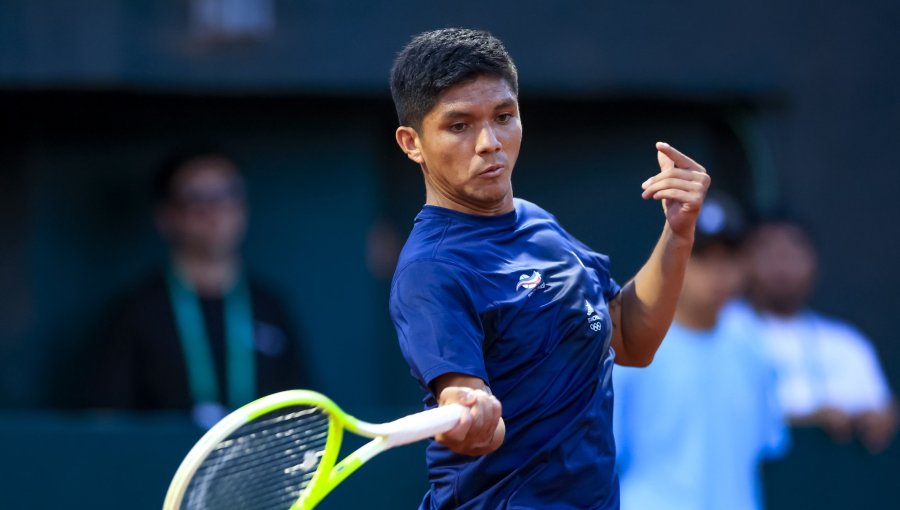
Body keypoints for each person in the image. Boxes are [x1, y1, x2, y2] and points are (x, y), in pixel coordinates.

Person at [388, 28, 710, 509]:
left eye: (503, 117)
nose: (489, 143)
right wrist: (471, 415)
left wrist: (678, 233)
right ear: (412, 143)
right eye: (459, 126)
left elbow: (629, 340)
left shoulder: (540, 225)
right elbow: (467, 406)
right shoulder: (432, 270)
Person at [88, 147, 307, 428]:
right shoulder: (137, 311)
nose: (215, 212)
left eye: (228, 196)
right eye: (197, 200)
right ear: (167, 217)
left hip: (258, 466)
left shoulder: (269, 305)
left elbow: (304, 411)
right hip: (164, 469)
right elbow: (106, 419)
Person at [613, 194, 787, 510]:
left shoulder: (752, 345)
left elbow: (767, 443)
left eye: (730, 256)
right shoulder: (630, 343)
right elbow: (605, 454)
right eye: (702, 256)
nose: (719, 272)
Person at [728, 218, 898, 453]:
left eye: (793, 251)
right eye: (768, 251)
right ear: (742, 261)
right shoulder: (721, 331)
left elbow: (881, 412)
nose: (782, 263)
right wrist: (809, 420)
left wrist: (878, 419)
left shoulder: (846, 342)